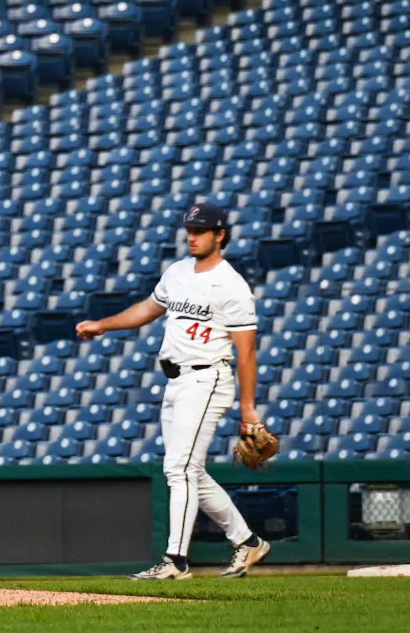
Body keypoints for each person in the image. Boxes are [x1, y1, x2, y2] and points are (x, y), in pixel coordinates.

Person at [75, 203, 270, 579]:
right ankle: (247, 543)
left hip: (207, 379)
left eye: (201, 231)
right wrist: (103, 325)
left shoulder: (232, 286)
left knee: (177, 468)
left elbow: (246, 353)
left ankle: (175, 561)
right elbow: (149, 309)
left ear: (220, 235)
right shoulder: (178, 272)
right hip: (175, 380)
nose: (192, 236)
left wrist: (248, 408)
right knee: (191, 472)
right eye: (190, 230)